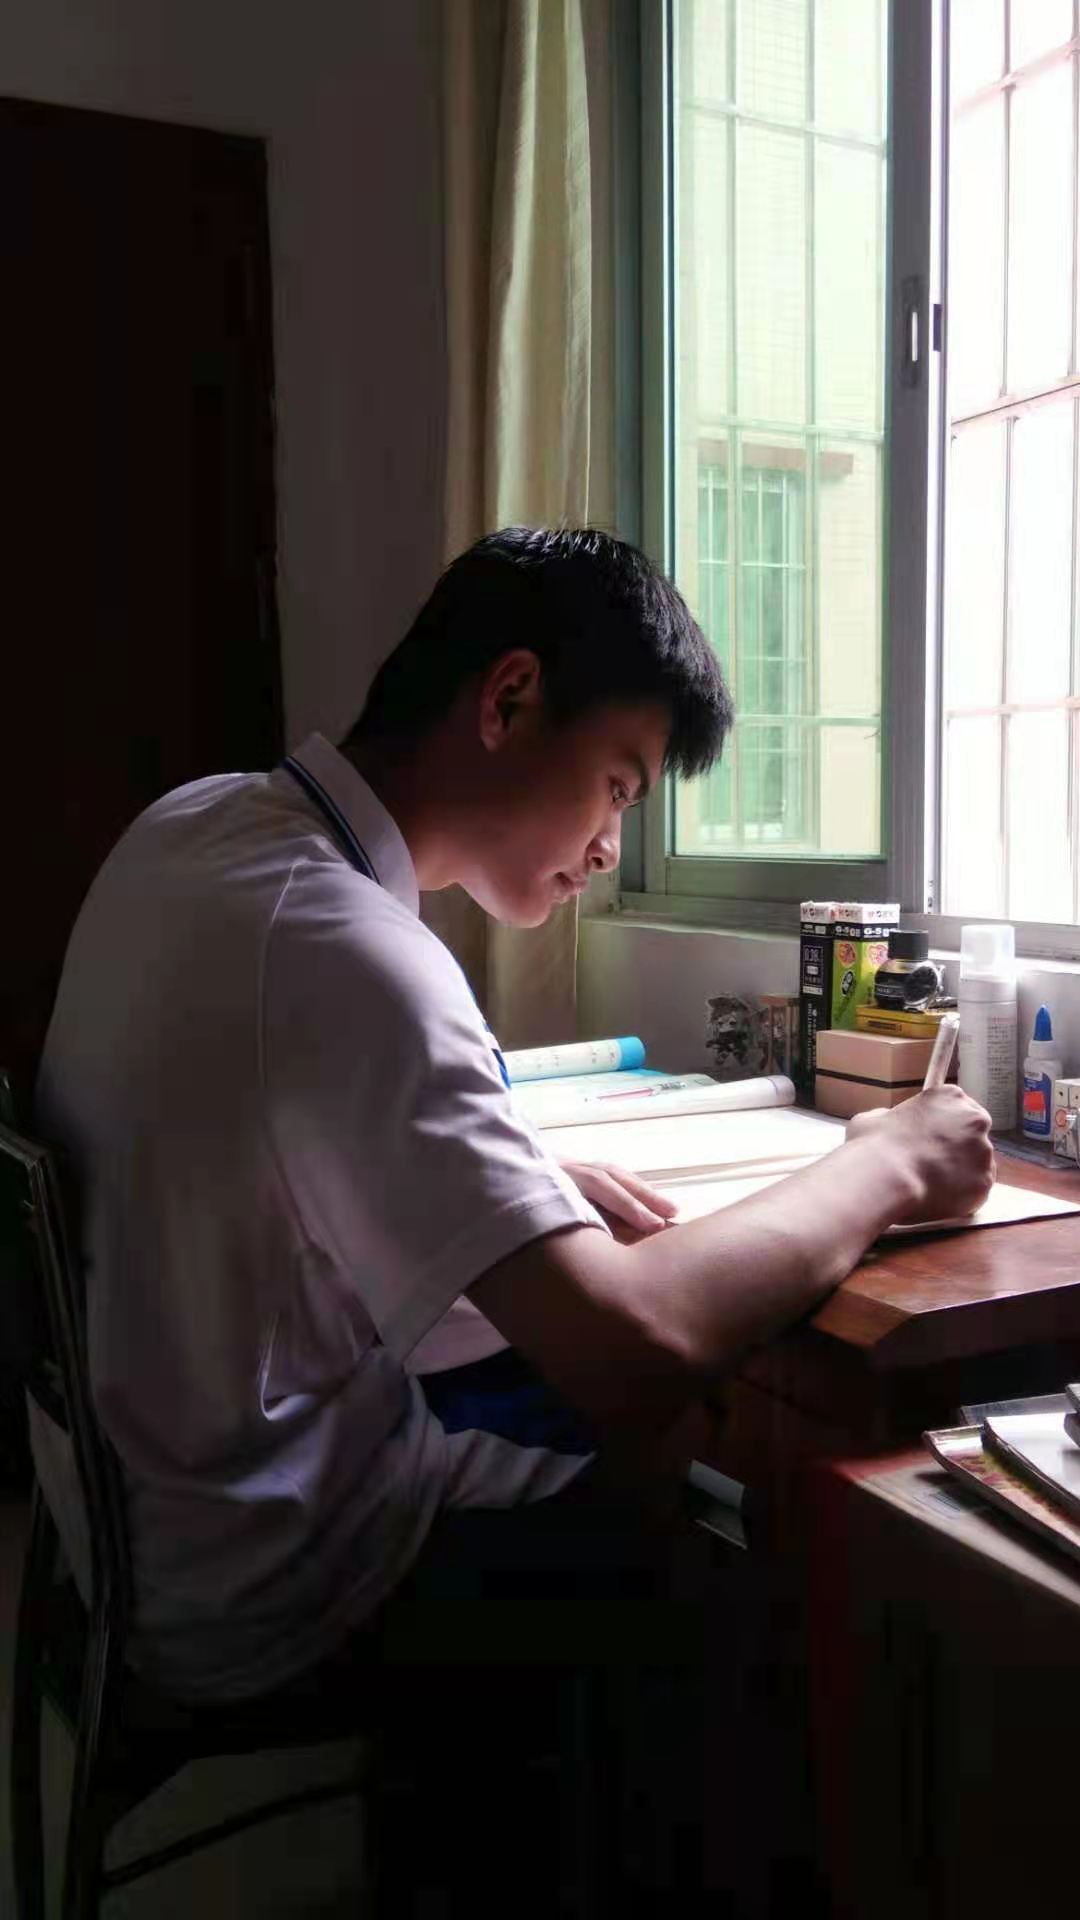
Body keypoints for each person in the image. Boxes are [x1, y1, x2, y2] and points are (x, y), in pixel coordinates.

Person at [36, 527, 992, 1901]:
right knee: (690, 1511)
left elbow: (272, 1116)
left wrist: (509, 1181)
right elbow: (627, 1346)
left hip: (112, 1524)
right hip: (251, 1575)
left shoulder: (195, 830)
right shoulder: (348, 949)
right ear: (508, 700)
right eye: (617, 785)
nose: (608, 847)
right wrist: (887, 1162)